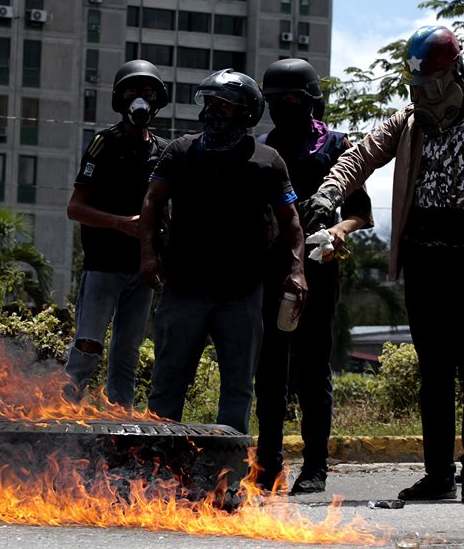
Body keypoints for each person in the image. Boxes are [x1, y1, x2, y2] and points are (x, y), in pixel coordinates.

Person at [303, 25, 464, 505]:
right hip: (427, 258)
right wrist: (327, 194)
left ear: (455, 73)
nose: (423, 94)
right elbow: (359, 155)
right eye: (416, 85)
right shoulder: (407, 121)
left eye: (431, 84)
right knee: (436, 369)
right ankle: (439, 474)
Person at [139, 69, 306, 434]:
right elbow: (152, 202)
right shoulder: (179, 151)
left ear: (246, 113)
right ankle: (156, 471)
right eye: (209, 103)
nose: (212, 112)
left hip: (241, 293)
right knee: (167, 383)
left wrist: (297, 269)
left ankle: (227, 477)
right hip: (184, 288)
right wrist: (148, 254)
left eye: (224, 106)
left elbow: (291, 219)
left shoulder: (267, 160)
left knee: (238, 387)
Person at [253, 59, 373, 494]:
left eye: (292, 100)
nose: (284, 107)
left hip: (320, 271)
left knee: (312, 370)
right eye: (275, 101)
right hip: (270, 269)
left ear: (310, 101)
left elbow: (362, 213)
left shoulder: (336, 146)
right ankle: (267, 465)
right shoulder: (262, 147)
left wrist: (337, 230)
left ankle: (315, 466)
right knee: (269, 371)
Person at [63, 61, 169, 408]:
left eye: (147, 93)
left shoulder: (163, 151)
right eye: (132, 93)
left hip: (143, 269)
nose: (140, 101)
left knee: (127, 352)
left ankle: (120, 423)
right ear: (119, 99)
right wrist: (120, 222)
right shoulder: (104, 144)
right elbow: (75, 207)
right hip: (104, 266)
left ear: (158, 100)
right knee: (88, 346)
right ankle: (64, 413)